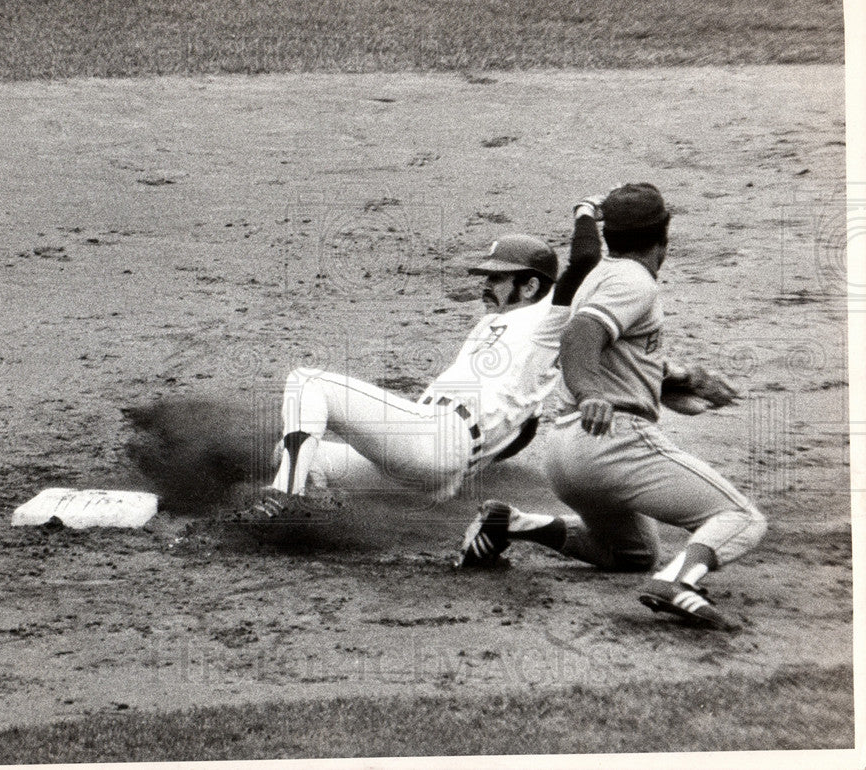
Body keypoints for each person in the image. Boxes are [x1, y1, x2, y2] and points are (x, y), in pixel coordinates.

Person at [457, 183, 767, 632]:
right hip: (610, 441)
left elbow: (612, 352)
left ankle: (514, 524)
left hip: (565, 453)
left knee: (632, 554)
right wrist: (592, 395)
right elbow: (580, 336)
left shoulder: (602, 274)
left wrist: (684, 382)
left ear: (611, 235)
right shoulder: (633, 281)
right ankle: (679, 581)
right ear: (666, 236)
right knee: (740, 517)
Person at [237, 196, 605, 521]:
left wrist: (586, 211)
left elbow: (586, 258)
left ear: (531, 286)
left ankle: (284, 500)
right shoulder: (496, 328)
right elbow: (521, 435)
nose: (486, 285)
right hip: (424, 467)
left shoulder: (546, 321)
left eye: (498, 278)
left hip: (437, 439)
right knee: (295, 455)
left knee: (308, 382)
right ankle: (317, 523)